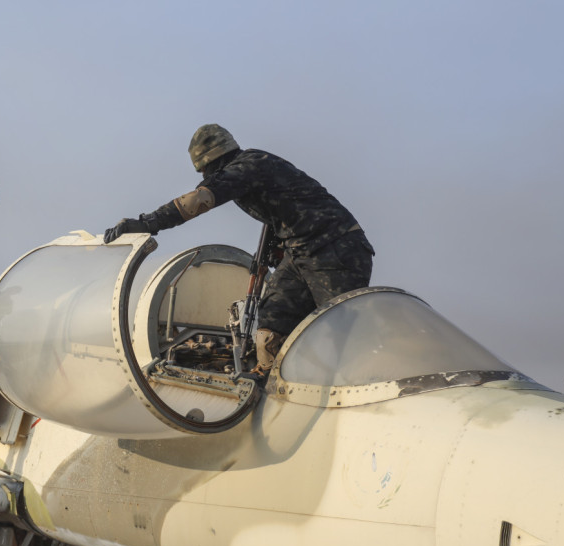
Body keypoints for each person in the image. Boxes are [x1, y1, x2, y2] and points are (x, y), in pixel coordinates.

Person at [103, 124, 373, 377]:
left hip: (335, 248)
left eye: (204, 172)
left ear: (211, 163)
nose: (206, 178)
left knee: (341, 329)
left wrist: (146, 223)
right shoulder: (250, 168)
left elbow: (199, 200)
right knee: (273, 319)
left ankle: (365, 379)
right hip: (300, 252)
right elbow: (281, 211)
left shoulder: (246, 168)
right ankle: (271, 378)